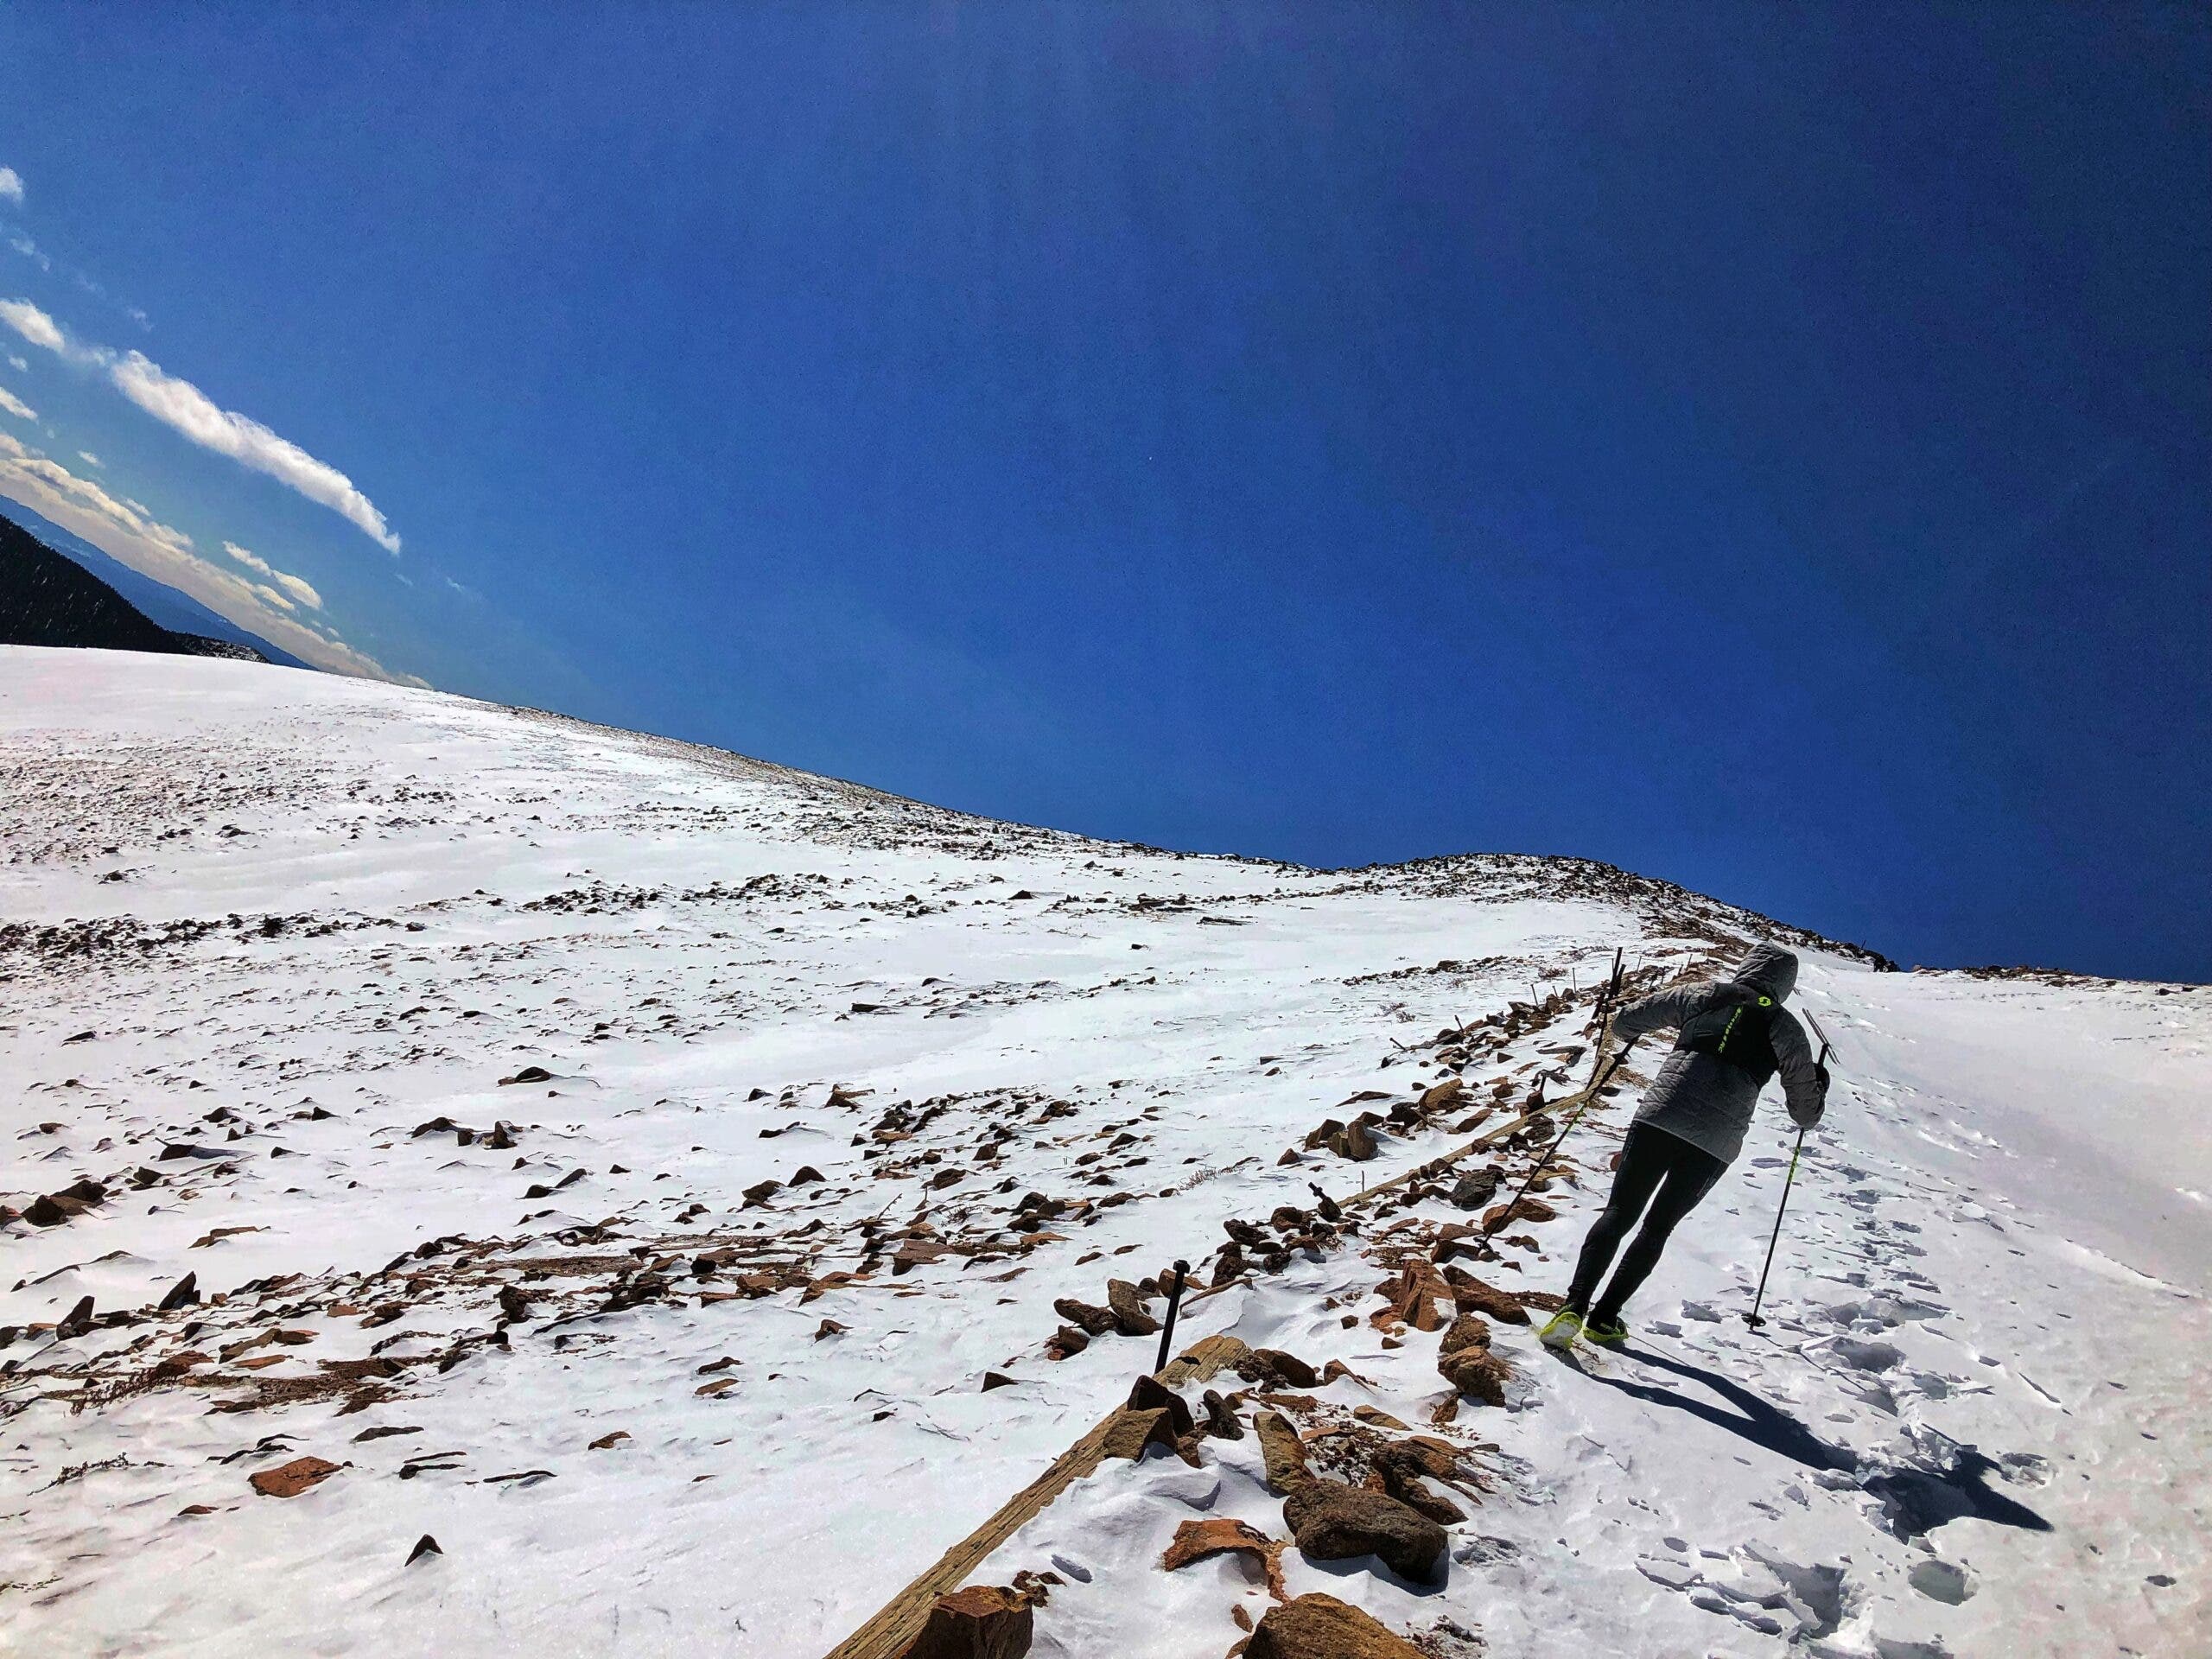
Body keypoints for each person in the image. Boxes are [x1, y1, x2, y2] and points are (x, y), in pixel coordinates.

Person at [1541, 943, 1828, 1351]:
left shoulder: (1702, 995)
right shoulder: (1785, 1028)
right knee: (1657, 1228)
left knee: (1619, 1211)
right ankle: (1605, 1318)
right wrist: (1819, 1087)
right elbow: (1804, 1113)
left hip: (1660, 1115)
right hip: (1715, 1141)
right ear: (1785, 985)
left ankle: (1574, 1305)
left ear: (1746, 966)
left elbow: (1625, 1024)